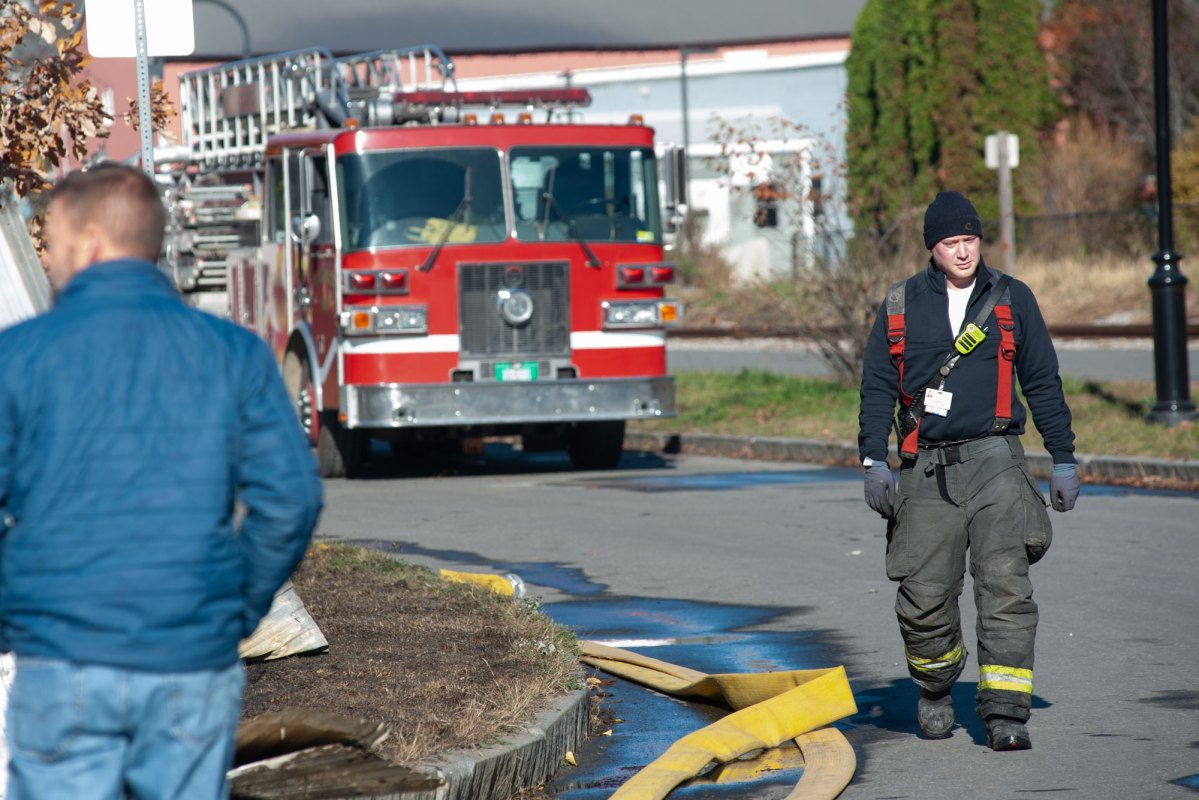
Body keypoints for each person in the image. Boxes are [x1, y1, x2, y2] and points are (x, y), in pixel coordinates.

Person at [0, 164, 323, 798]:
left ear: (91, 242)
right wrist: (237, 606)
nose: (51, 259)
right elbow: (290, 499)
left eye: (56, 243)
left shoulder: (20, 358)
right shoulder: (232, 353)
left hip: (62, 650)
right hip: (191, 654)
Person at [857, 190, 1080, 751]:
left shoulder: (1011, 298)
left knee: (1006, 588)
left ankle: (1006, 713)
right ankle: (935, 689)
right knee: (924, 597)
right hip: (924, 470)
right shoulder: (901, 303)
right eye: (951, 243)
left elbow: (1043, 380)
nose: (963, 252)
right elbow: (878, 386)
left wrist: (1064, 456)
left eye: (970, 240)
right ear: (932, 247)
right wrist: (871, 460)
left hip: (995, 461)